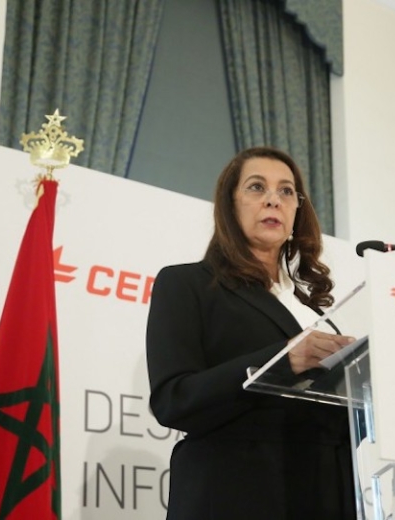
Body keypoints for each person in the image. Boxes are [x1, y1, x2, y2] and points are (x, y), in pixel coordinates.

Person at [146, 146, 357, 519]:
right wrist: (282, 361)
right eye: (257, 187)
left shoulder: (311, 308)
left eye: (286, 191)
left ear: (298, 210)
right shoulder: (187, 284)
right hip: (236, 495)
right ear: (230, 204)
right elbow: (173, 400)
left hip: (323, 496)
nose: (274, 200)